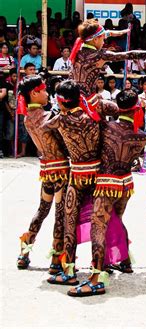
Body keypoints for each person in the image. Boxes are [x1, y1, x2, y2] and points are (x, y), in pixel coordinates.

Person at [67, 90, 146, 297]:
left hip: (106, 183)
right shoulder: (142, 136)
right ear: (137, 108)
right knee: (117, 221)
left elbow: (95, 106)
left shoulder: (106, 127)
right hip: (126, 182)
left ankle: (96, 279)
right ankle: (125, 262)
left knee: (99, 227)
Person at [45, 80, 119, 285]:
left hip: (77, 176)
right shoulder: (93, 115)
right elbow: (116, 110)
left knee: (70, 223)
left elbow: (44, 127)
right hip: (98, 175)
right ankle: (99, 269)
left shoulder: (60, 120)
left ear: (61, 101)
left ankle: (69, 271)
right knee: (100, 224)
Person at [15, 75, 69, 273]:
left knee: (42, 209)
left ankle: (25, 252)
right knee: (60, 212)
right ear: (34, 93)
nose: (48, 93)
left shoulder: (29, 118)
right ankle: (56, 258)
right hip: (61, 170)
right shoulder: (48, 118)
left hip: (47, 169)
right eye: (44, 90)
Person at [69, 19, 146, 97]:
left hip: (70, 96)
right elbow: (129, 54)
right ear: (96, 39)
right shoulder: (100, 55)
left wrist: (117, 32)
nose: (104, 41)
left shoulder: (78, 48)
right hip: (87, 100)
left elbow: (99, 35)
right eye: (102, 38)